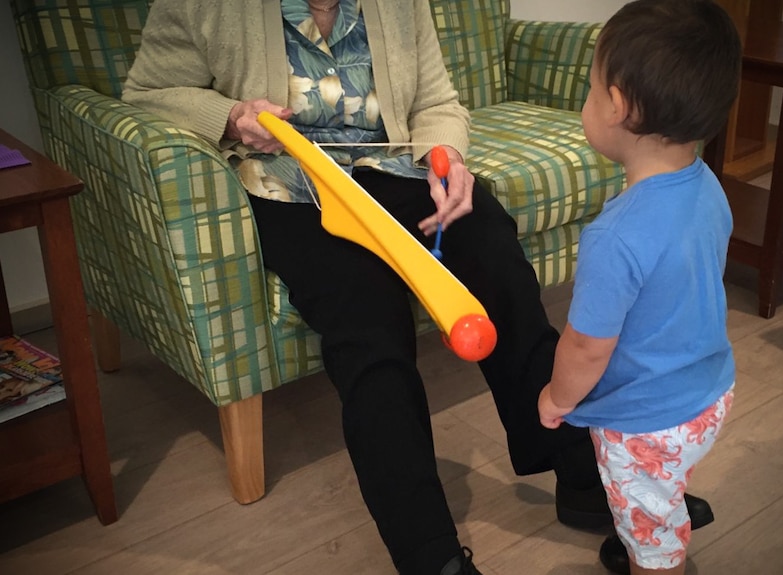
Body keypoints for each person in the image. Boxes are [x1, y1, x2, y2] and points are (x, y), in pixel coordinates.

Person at [123, 1, 714, 573]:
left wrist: (446, 158)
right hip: (295, 193)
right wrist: (230, 116)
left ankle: (582, 476)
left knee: (496, 260)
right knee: (370, 326)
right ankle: (428, 551)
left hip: (400, 171)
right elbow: (148, 92)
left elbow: (436, 100)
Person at [537, 1, 741, 574]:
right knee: (661, 496)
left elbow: (585, 346)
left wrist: (557, 398)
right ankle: (664, 506)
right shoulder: (709, 189)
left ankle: (656, 549)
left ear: (618, 106)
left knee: (651, 540)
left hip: (648, 422)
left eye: (591, 86)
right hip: (710, 393)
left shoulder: (615, 237)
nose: (587, 99)